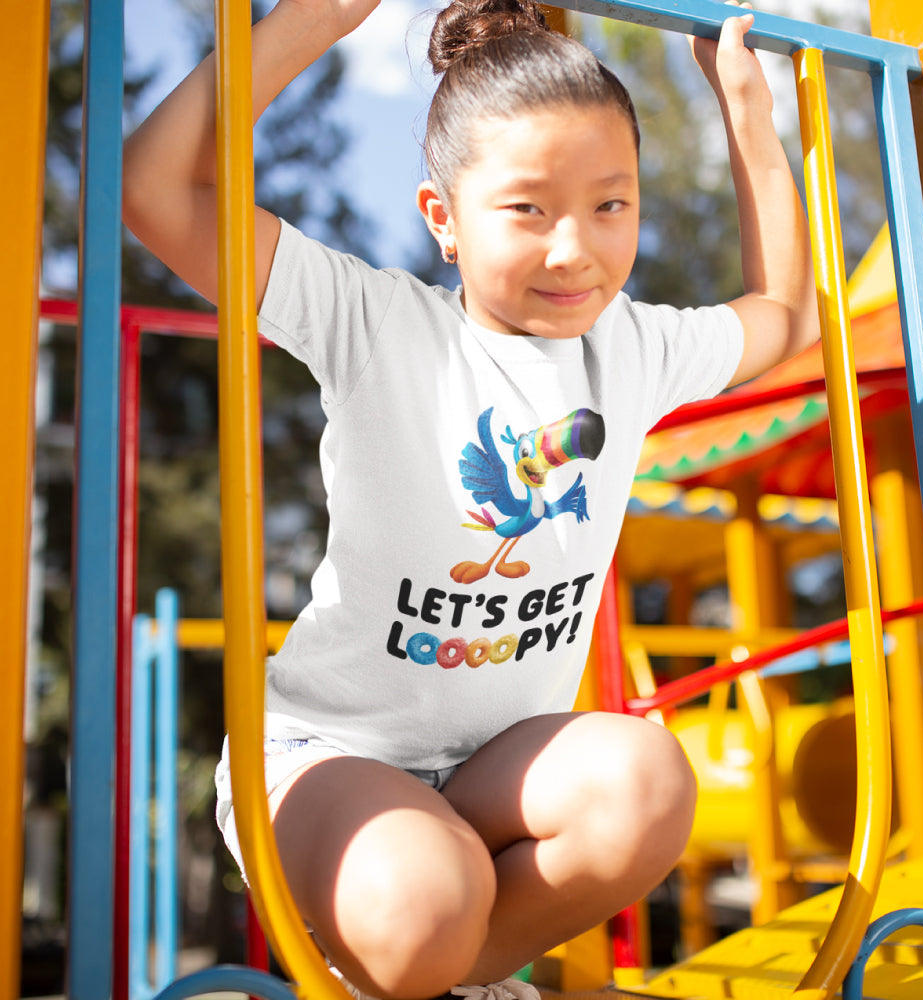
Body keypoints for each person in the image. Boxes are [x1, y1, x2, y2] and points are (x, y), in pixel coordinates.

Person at [122, 0, 818, 997]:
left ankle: (456, 974)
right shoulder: (376, 323)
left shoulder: (627, 347)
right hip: (326, 756)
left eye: (610, 205)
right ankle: (419, 954)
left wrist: (745, 112)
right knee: (425, 897)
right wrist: (314, 19)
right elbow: (154, 188)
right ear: (442, 218)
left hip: (492, 771)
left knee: (647, 779)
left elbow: (784, 318)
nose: (572, 248)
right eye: (527, 208)